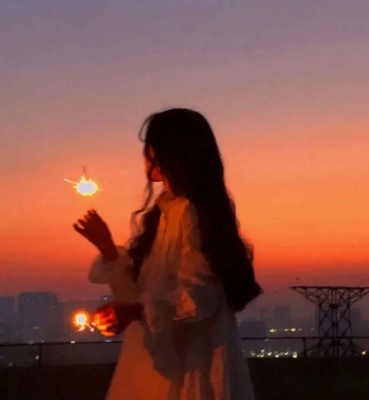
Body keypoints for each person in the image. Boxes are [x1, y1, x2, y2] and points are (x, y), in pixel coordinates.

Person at [73, 108, 263, 400]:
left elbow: (200, 298)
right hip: (156, 363)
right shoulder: (165, 214)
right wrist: (107, 248)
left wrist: (133, 312)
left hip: (190, 368)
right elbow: (137, 296)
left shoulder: (192, 214)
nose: (145, 155)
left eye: (151, 146)